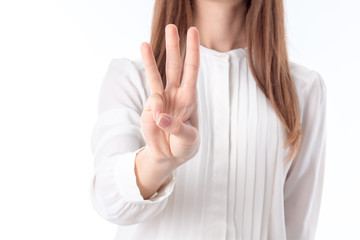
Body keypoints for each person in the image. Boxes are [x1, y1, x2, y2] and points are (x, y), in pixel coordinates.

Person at [89, 0, 327, 239]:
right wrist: (157, 160)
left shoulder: (303, 91)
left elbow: (297, 232)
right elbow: (108, 198)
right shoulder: (131, 79)